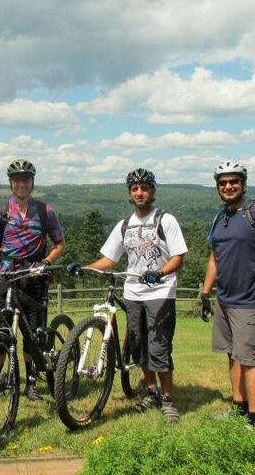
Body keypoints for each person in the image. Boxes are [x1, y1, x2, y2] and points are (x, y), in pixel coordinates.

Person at [67, 168, 187, 423]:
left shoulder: (165, 220)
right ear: (130, 194)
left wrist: (160, 272)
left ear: (152, 191)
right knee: (138, 343)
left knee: (159, 345)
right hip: (132, 291)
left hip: (160, 292)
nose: (139, 193)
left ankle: (167, 399)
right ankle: (152, 392)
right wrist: (84, 268)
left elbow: (178, 257)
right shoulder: (124, 226)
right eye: (135, 189)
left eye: (144, 188)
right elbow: (109, 259)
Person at [199, 160, 255, 426]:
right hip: (224, 300)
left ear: (243, 184)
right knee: (232, 355)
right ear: (217, 187)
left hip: (250, 302)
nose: (228, 186)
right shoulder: (220, 217)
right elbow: (215, 258)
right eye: (223, 182)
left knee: (249, 359)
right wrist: (204, 293)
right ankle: (238, 407)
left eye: (234, 181)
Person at [0, 158, 66, 401]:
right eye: (17, 180)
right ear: (10, 183)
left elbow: (60, 244)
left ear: (32, 182)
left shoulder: (44, 211)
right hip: (5, 277)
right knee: (1, 331)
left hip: (34, 278)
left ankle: (30, 382)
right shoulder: (0, 211)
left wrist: (47, 263)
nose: (21, 184)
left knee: (32, 334)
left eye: (26, 179)